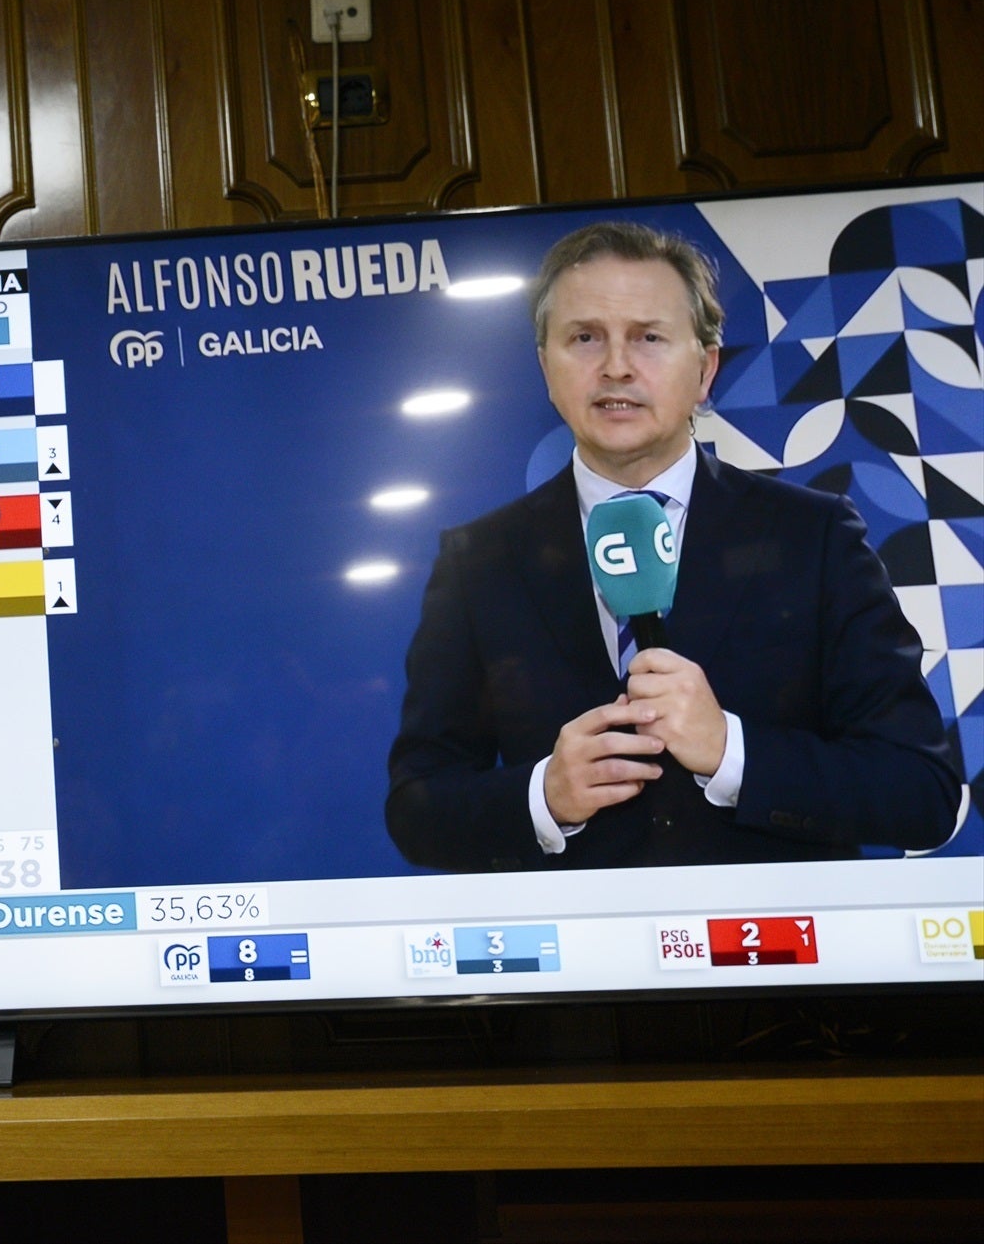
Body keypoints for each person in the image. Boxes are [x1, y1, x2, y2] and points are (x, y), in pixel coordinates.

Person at [385, 220, 960, 872]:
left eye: (649, 337)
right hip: (577, 966)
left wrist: (732, 752)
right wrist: (543, 797)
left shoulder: (815, 537)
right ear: (546, 367)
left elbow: (923, 792)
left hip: (780, 963)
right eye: (584, 338)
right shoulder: (478, 561)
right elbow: (416, 808)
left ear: (705, 368)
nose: (617, 366)